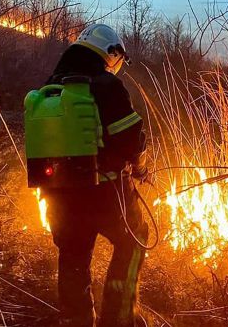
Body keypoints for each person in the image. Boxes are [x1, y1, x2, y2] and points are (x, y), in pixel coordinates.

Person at [43, 24, 150, 327]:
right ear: (111, 52)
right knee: (135, 238)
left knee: (73, 254)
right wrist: (141, 168)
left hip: (58, 196)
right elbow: (132, 139)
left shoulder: (50, 87)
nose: (117, 66)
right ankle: (119, 318)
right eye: (118, 58)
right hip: (106, 193)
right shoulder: (106, 85)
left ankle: (77, 319)